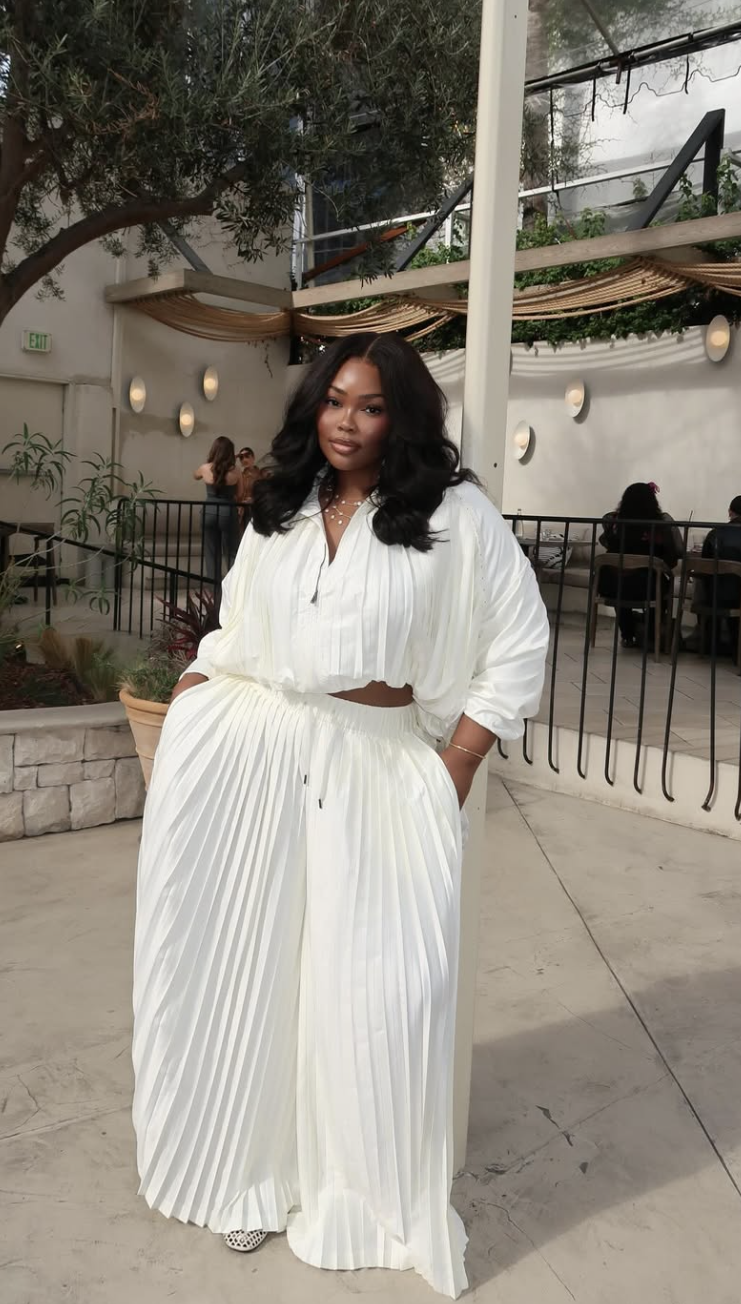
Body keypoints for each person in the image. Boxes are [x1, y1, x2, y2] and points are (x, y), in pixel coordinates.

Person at [132, 332, 550, 1298]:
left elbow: (519, 645)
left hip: (377, 765)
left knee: (372, 997)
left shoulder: (456, 516)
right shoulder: (280, 506)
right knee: (250, 969)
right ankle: (248, 1174)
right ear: (312, 408)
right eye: (333, 402)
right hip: (260, 755)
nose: (347, 423)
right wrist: (199, 696)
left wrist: (454, 768)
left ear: (402, 416)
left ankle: (352, 1198)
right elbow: (236, 624)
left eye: (368, 406)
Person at [598, 482, 685, 647]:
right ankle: (652, 634)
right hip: (646, 586)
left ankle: (627, 634)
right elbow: (674, 556)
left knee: (620, 575)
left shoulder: (615, 524)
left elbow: (606, 542)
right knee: (660, 585)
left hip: (609, 585)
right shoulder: (660, 525)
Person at [195, 436, 240, 587]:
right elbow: (239, 495)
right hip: (228, 511)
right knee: (231, 552)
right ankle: (233, 589)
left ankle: (214, 593)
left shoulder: (205, 468)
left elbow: (195, 476)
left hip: (209, 511)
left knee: (211, 553)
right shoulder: (236, 472)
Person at [699, 494, 741, 650]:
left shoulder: (715, 533)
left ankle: (709, 643)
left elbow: (703, 566)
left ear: (730, 512)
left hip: (715, 597)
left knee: (706, 585)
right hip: (739, 596)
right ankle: (736, 646)